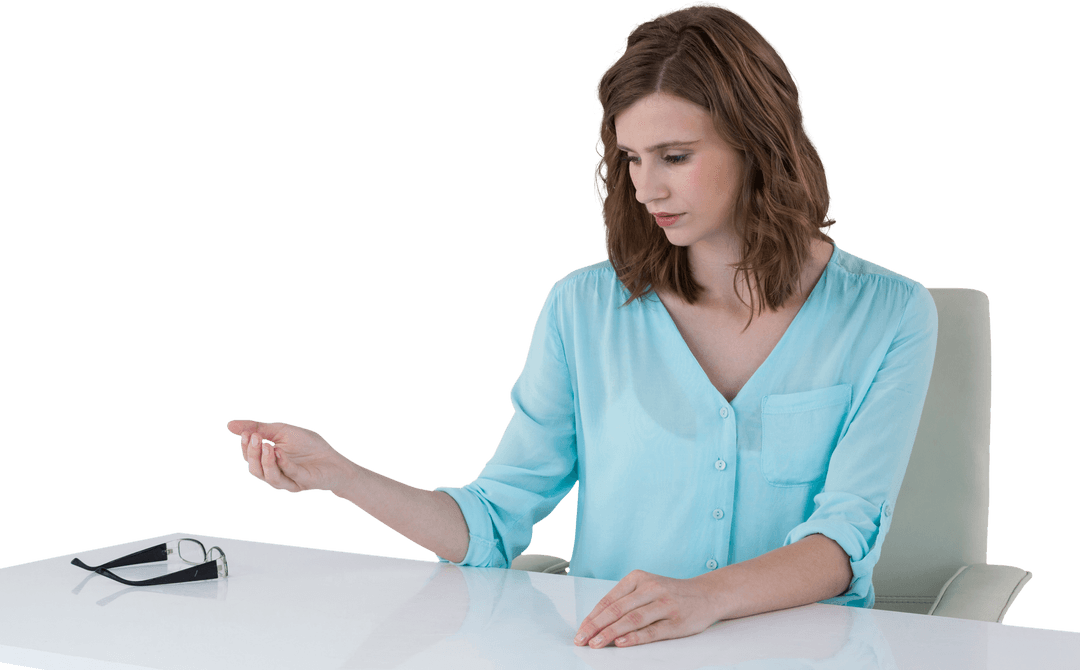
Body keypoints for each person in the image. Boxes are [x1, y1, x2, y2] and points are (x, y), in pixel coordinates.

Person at [227, 1, 937, 650]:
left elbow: (845, 539)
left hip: (806, 655)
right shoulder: (585, 310)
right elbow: (491, 522)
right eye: (632, 158)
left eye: (675, 157)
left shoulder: (890, 314)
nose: (646, 187)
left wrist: (702, 600)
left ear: (758, 144)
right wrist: (340, 476)